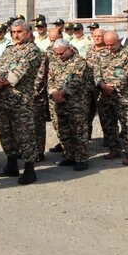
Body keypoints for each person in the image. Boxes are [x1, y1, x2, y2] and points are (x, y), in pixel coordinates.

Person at [0, 19, 41, 185]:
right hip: (4, 101)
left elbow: (18, 73)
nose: (16, 35)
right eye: (13, 32)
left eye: (19, 32)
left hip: (21, 102)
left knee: (24, 135)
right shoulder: (9, 49)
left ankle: (29, 169)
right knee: (6, 134)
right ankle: (11, 165)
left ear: (27, 33)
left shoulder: (32, 51)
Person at [95, 31, 128, 165]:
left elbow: (126, 75)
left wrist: (111, 87)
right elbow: (97, 73)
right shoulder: (101, 54)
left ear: (118, 41)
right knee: (108, 124)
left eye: (112, 45)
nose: (109, 48)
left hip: (123, 97)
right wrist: (102, 85)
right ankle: (114, 149)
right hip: (104, 96)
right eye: (106, 45)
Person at [48, 39, 90, 171]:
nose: (59, 56)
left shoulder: (80, 62)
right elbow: (50, 80)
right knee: (63, 131)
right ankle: (69, 155)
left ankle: (81, 159)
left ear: (69, 49)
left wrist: (61, 93)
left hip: (76, 103)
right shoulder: (55, 62)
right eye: (57, 54)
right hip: (59, 103)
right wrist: (53, 93)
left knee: (78, 131)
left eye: (62, 53)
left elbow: (76, 81)